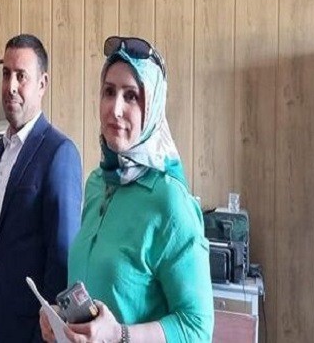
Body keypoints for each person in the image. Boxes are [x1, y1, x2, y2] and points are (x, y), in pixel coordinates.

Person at [40, 36, 213, 343]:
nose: (115, 109)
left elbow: (197, 328)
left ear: (153, 108)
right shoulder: (98, 184)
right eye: (109, 92)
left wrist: (119, 335)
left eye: (131, 96)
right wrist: (65, 320)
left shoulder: (170, 202)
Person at [0, 34, 83, 342]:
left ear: (42, 84)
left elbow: (62, 259)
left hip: (33, 333)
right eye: (6, 74)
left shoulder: (59, 153)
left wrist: (49, 333)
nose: (11, 86)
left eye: (22, 76)